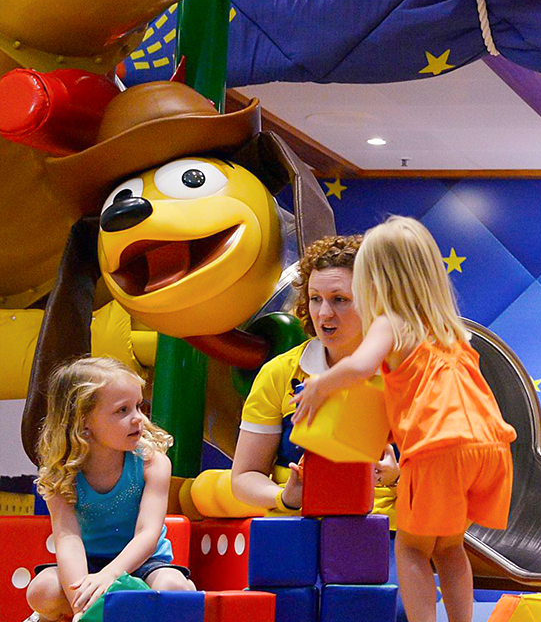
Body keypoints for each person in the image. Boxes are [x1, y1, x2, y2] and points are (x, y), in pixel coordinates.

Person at [294, 217, 515, 622]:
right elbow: (415, 394)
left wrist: (319, 386)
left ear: (374, 280)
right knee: (449, 547)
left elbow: (360, 367)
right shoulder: (448, 329)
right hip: (490, 447)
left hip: (438, 448)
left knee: (412, 548)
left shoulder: (390, 322)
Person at [232, 234, 400, 517]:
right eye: (315, 299)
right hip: (297, 524)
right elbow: (244, 477)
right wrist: (285, 497)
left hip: (385, 527)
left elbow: (450, 482)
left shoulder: (409, 371)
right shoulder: (279, 372)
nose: (324, 313)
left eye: (339, 299)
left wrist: (396, 478)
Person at [28, 358, 196, 622]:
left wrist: (111, 575)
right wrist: (81, 606)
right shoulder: (61, 473)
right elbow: (68, 538)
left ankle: (133, 606)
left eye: (139, 406)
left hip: (143, 564)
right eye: (122, 410)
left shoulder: (152, 463)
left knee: (175, 588)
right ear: (83, 421)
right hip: (88, 563)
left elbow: (148, 533)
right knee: (41, 591)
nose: (138, 418)